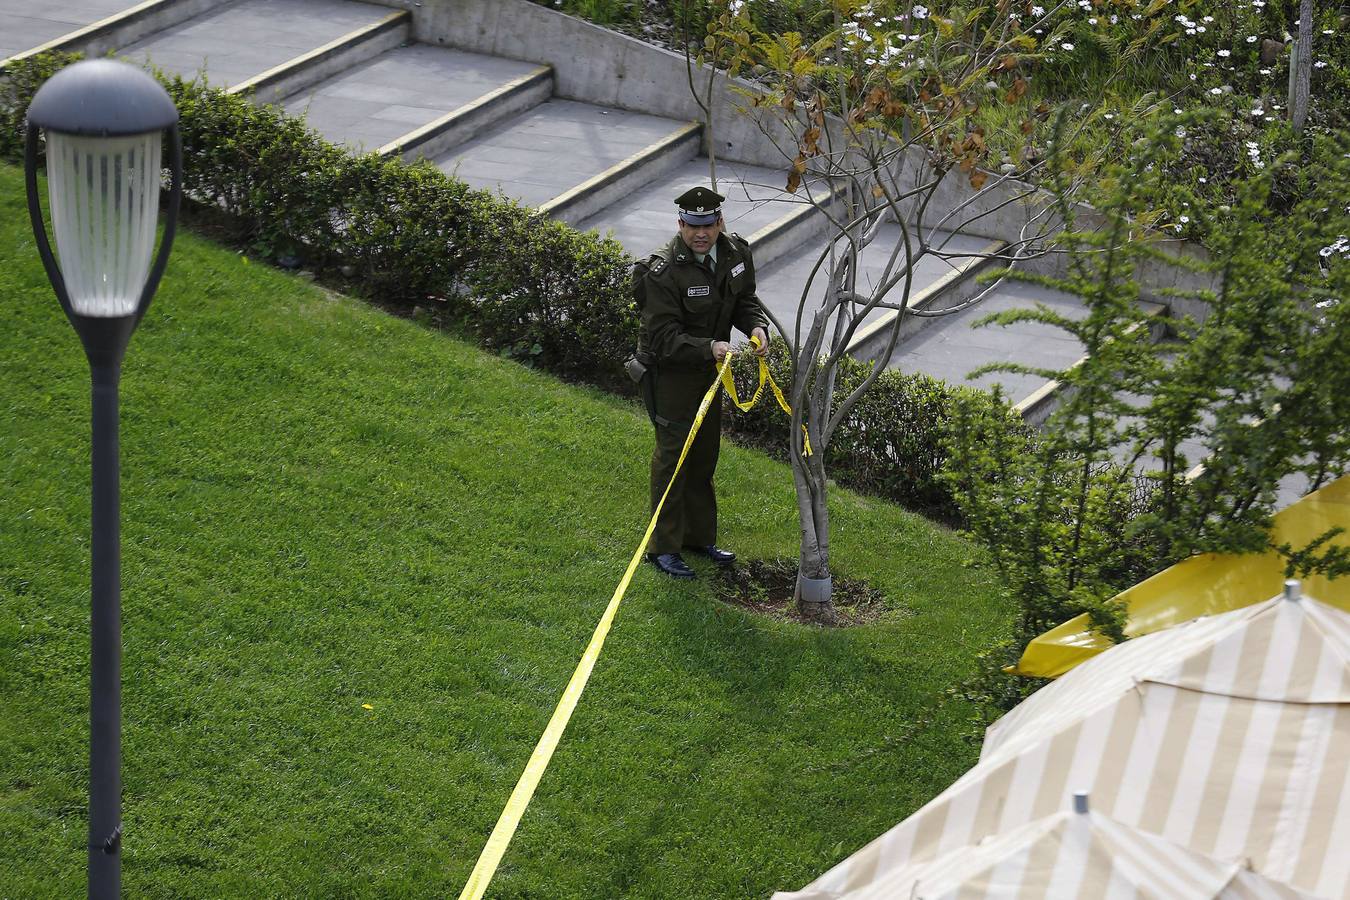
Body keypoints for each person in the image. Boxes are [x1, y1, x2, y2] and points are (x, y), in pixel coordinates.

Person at [636, 186, 770, 579]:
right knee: (673, 459)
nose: (700, 233)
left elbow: (744, 299)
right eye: (692, 226)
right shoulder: (661, 271)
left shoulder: (735, 253)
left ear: (719, 223)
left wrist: (756, 327)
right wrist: (709, 346)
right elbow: (662, 336)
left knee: (704, 456)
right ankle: (662, 548)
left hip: (711, 373)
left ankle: (698, 538)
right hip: (671, 375)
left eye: (708, 225)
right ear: (680, 224)